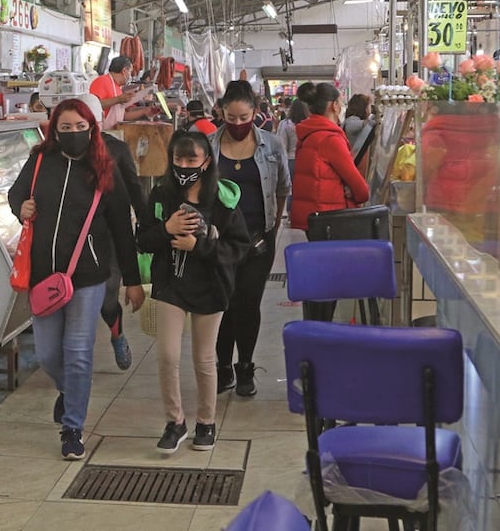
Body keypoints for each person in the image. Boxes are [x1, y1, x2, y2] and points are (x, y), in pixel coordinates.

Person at [8, 99, 145, 460]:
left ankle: (72, 428)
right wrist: (20, 207)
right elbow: (17, 193)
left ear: (92, 128)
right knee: (49, 354)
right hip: (43, 275)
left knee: (78, 352)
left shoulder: (104, 167)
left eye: (80, 127)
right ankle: (70, 392)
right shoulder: (40, 160)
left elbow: (121, 228)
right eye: (65, 128)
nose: (73, 134)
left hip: (88, 276)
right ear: (54, 130)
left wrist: (132, 280)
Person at [137, 130, 249, 454]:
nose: (184, 166)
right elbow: (142, 240)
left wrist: (199, 246)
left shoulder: (224, 200)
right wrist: (166, 229)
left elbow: (238, 247)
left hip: (211, 288)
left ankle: (206, 421)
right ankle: (175, 422)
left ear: (207, 162)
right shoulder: (161, 196)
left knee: (204, 359)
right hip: (171, 285)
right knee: (167, 355)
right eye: (178, 159)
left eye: (192, 160)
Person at [208, 80, 291, 397]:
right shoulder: (209, 145)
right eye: (231, 118)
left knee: (248, 302)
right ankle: (222, 366)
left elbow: (282, 187)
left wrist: (273, 227)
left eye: (244, 117)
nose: (238, 124)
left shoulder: (271, 145)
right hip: (218, 240)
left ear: (255, 113)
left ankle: (245, 366)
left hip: (258, 239)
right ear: (221, 113)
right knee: (222, 302)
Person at [71, 93, 145, 370]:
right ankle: (76, 364)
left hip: (109, 237)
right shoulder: (62, 153)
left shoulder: (117, 150)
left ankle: (117, 334)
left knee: (107, 296)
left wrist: (146, 224)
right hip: (74, 239)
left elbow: (134, 189)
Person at [290, 82, 371, 322]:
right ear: (334, 105)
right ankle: (321, 329)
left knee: (318, 278)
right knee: (328, 282)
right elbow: (360, 188)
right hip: (330, 219)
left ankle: (315, 327)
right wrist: (354, 193)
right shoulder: (330, 138)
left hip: (314, 217)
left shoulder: (308, 133)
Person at [89, 56, 156, 128]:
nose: (130, 76)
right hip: (102, 131)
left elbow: (123, 116)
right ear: (124, 71)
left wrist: (144, 111)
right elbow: (94, 106)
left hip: (115, 131)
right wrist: (118, 99)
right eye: (130, 72)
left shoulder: (118, 88)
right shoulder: (102, 81)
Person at [278, 98, 311, 207]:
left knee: (291, 190)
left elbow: (282, 146)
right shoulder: (310, 124)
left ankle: (291, 210)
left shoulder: (286, 124)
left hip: (291, 160)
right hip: (307, 160)